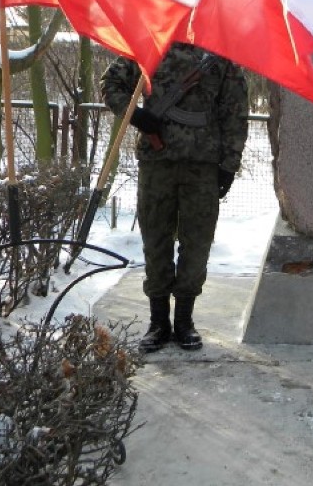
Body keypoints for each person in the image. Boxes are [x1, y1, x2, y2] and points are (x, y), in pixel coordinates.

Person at [101, 42, 248, 353]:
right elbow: (111, 82)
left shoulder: (220, 51)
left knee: (197, 243)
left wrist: (229, 166)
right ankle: (158, 322)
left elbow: (235, 111)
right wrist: (137, 116)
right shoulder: (151, 40)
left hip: (203, 165)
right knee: (156, 240)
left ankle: (184, 321)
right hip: (157, 163)